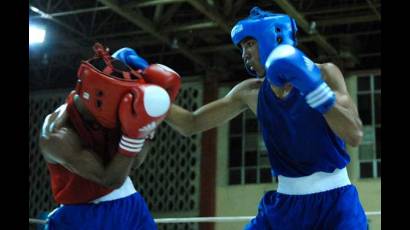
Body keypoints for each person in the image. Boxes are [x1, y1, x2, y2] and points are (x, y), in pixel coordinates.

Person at [115, 6, 368, 229]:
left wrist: (315, 91)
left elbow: (354, 135)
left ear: (273, 37)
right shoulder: (251, 92)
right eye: (242, 47)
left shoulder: (324, 74)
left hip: (336, 204)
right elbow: (191, 123)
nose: (244, 53)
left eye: (250, 43)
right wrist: (149, 89)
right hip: (284, 207)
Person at [39, 43, 181, 229]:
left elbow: (135, 162)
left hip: (129, 201)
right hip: (84, 215)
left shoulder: (105, 111)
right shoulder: (58, 134)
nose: (123, 104)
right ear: (99, 97)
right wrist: (133, 137)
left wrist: (150, 124)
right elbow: (110, 179)